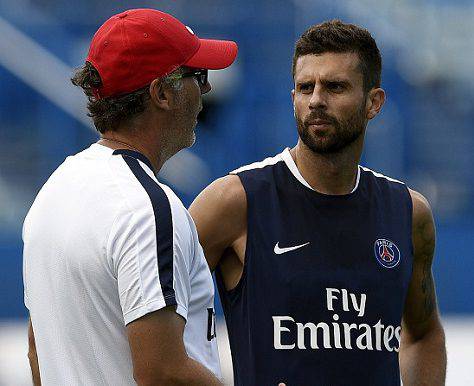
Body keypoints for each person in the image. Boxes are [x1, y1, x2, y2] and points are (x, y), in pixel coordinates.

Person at [190, 20, 447, 386]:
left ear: (373, 102)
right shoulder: (235, 200)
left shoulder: (408, 212)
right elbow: (156, 325)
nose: (316, 101)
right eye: (304, 87)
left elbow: (423, 334)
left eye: (335, 87)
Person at [22, 8, 237, 385]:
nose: (205, 91)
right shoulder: (147, 207)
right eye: (197, 77)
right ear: (162, 94)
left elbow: (37, 351)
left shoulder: (56, 189)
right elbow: (162, 372)